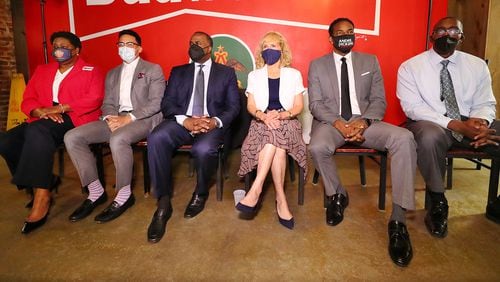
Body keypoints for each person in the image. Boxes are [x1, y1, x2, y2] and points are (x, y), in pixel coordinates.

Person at [308, 18, 417, 267]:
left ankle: (399, 220)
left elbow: (379, 99)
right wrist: (339, 124)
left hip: (366, 123)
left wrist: (363, 123)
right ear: (331, 38)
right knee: (316, 147)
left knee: (404, 138)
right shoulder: (317, 65)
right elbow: (315, 103)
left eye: (350, 32)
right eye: (340, 33)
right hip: (331, 124)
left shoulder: (370, 61)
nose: (346, 36)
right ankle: (337, 195)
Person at [397, 17, 500, 229]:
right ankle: (437, 201)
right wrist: (456, 125)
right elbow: (413, 108)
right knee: (429, 136)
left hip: (470, 120)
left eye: (453, 31)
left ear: (461, 37)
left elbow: (486, 101)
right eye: (441, 31)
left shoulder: (477, 65)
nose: (447, 35)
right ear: (431, 36)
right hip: (432, 121)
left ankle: (497, 205)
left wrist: (480, 122)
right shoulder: (410, 67)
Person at [0, 31, 104, 234]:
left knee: (37, 131)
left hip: (74, 117)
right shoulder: (43, 70)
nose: (58, 49)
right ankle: (44, 179)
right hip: (43, 117)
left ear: (76, 50)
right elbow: (28, 98)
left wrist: (59, 109)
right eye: (55, 45)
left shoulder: (91, 70)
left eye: (64, 46)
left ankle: (42, 194)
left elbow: (95, 98)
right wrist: (39, 111)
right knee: (6, 140)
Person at [146, 31, 240, 243]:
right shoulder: (178, 72)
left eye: (198, 43)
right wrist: (185, 120)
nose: (193, 46)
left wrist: (214, 121)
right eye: (191, 43)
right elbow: (167, 104)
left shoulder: (226, 73)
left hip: (211, 123)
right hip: (183, 122)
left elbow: (234, 107)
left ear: (210, 48)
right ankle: (163, 202)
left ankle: (200, 193)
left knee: (203, 149)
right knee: (156, 138)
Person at [64, 29, 165, 223]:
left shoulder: (153, 69)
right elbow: (108, 102)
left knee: (118, 139)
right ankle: (95, 192)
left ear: (139, 48)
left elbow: (155, 104)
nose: (124, 48)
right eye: (121, 44)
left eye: (129, 44)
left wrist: (128, 119)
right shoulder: (112, 73)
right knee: (72, 136)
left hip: (143, 119)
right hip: (115, 119)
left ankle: (124, 195)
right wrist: (110, 118)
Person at [236, 31, 307, 230]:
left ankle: (255, 189)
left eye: (274, 46)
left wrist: (281, 115)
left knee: (274, 136)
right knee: (276, 143)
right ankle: (281, 199)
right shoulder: (254, 75)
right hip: (261, 121)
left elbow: (298, 106)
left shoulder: (293, 74)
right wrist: (264, 116)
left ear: (282, 50)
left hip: (288, 120)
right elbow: (251, 106)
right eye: (265, 46)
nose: (269, 50)